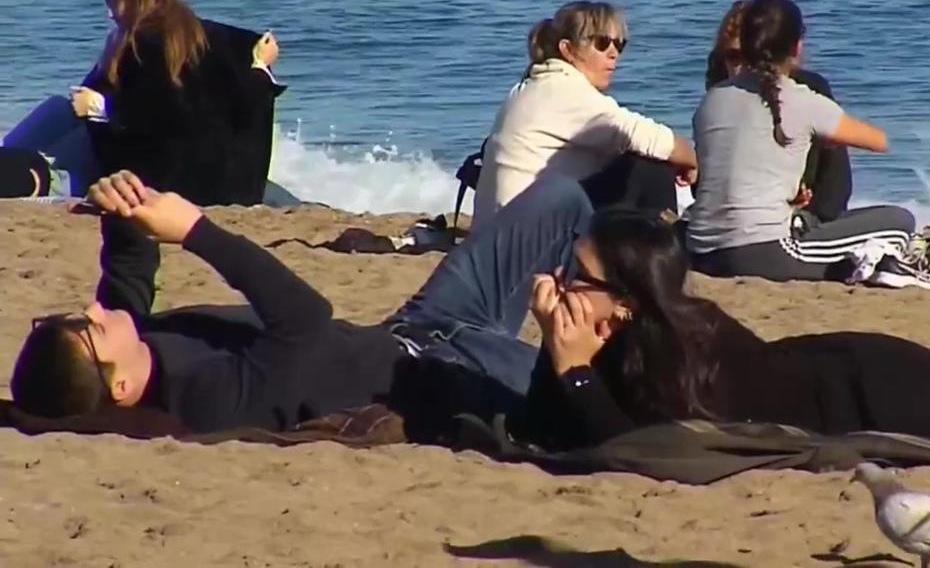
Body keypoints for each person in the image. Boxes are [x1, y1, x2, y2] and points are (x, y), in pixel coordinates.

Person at [509, 206, 930, 471]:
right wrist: (558, 354)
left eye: (578, 275)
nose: (559, 283)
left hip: (874, 387)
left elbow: (638, 452)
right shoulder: (619, 342)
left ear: (625, 303)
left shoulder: (679, 349)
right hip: (840, 371)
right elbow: (551, 429)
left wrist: (572, 370)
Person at [10, 169, 595, 436]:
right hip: (455, 374)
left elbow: (127, 285)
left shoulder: (142, 346)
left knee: (563, 197)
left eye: (73, 317)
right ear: (117, 390)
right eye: (86, 331)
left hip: (423, 324)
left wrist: (124, 209)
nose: (90, 313)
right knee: (609, 388)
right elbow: (305, 320)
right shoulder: (205, 396)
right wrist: (195, 230)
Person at [685, 0, 930, 288]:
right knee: (899, 221)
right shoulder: (801, 98)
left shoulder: (712, 99)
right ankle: (880, 262)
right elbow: (879, 141)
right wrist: (826, 138)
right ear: (797, 47)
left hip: (701, 251)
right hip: (761, 252)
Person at [73, 0, 286, 315]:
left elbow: (151, 128)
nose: (109, 13)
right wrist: (261, 66)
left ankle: (27, 169)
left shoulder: (142, 46)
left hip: (173, 181)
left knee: (62, 116)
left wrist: (97, 112)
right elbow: (239, 89)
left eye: (113, 2)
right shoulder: (196, 33)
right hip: (229, 183)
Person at [472, 0, 699, 228]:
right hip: (526, 241)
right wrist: (691, 159)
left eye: (619, 45)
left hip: (500, 231)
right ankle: (662, 254)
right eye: (601, 43)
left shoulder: (532, 85)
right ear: (568, 50)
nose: (613, 54)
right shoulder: (565, 90)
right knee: (650, 166)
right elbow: (650, 138)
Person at [704, 0, 852, 224]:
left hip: (806, 219)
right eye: (734, 57)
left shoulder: (809, 90)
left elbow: (836, 182)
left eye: (754, 57)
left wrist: (807, 215)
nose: (745, 68)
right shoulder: (719, 95)